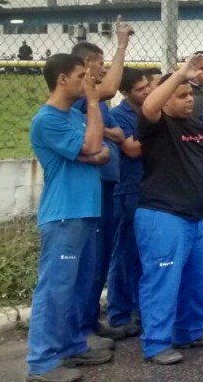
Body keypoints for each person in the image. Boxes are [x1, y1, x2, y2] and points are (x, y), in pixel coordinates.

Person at [26, 54, 113, 382]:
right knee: (54, 289)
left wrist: (92, 151)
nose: (87, 81)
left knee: (79, 285)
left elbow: (102, 151)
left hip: (86, 211)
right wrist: (93, 103)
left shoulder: (72, 117)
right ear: (62, 79)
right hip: (64, 214)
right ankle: (41, 364)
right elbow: (93, 144)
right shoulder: (46, 120)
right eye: (81, 76)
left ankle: (72, 345)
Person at [134, 57, 203, 365]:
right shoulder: (156, 125)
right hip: (164, 216)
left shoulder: (195, 126)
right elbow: (149, 107)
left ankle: (189, 331)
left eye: (190, 95)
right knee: (162, 282)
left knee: (195, 280)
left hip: (196, 218)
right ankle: (156, 344)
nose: (188, 100)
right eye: (181, 95)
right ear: (166, 96)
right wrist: (179, 74)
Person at [69, 20, 132, 342]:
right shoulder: (84, 96)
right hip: (92, 189)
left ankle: (91, 320)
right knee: (89, 259)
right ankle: (80, 328)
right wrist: (122, 45)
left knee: (101, 255)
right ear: (84, 66)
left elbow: (110, 129)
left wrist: (112, 133)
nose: (104, 68)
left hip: (107, 186)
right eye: (99, 64)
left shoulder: (99, 103)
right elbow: (106, 90)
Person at [105, 68, 150, 336]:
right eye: (140, 89)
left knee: (143, 254)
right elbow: (132, 149)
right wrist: (154, 125)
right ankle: (119, 314)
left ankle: (139, 309)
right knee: (124, 254)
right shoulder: (119, 116)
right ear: (125, 93)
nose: (146, 91)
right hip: (128, 191)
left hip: (148, 189)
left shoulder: (146, 113)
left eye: (147, 86)